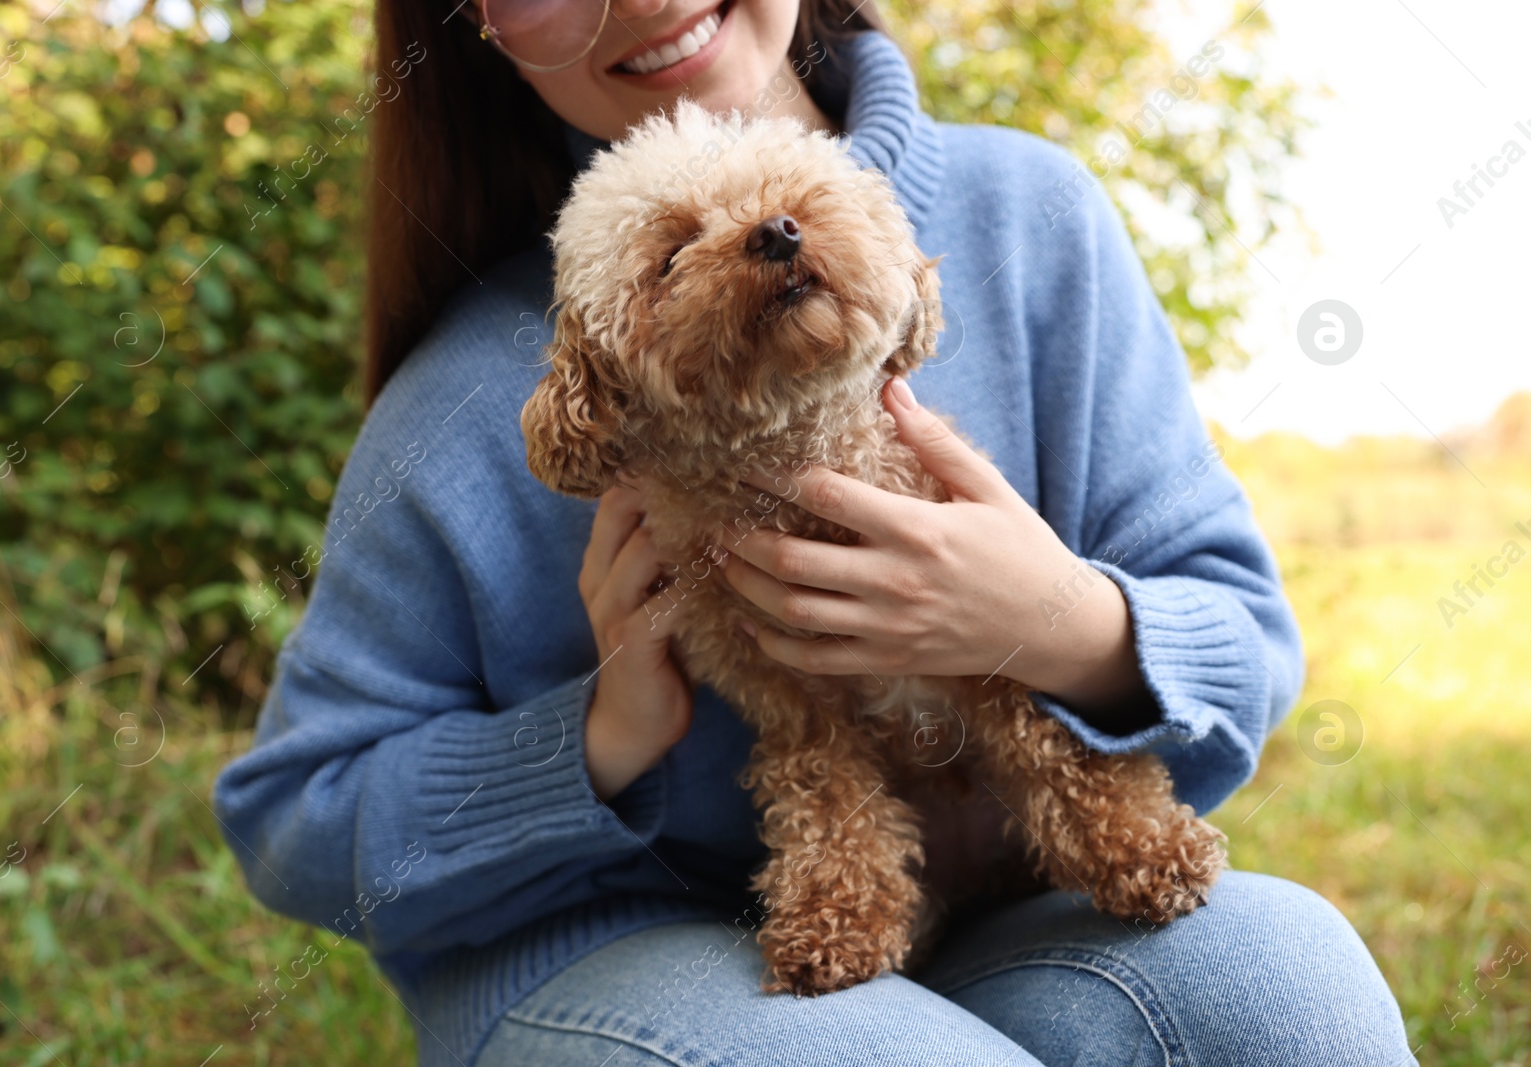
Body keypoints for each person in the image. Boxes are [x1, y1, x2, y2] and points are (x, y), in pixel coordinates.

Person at [212, 0, 1419, 1063]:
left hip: (1009, 913)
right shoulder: (459, 400)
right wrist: (597, 738)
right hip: (612, 953)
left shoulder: (1030, 216)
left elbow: (1249, 641)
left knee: (1286, 989)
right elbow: (294, 819)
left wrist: (1053, 622)